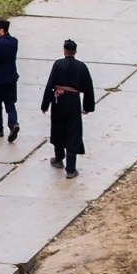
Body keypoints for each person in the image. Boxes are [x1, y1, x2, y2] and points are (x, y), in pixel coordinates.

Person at [42, 39, 96, 179]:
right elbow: (88, 87)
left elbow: (50, 84)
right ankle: (71, 169)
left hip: (58, 100)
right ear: (75, 52)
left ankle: (59, 159)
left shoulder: (58, 64)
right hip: (73, 102)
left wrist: (45, 104)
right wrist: (87, 107)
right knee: (73, 132)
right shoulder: (81, 67)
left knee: (58, 128)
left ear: (64, 51)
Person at [0, 19, 20, 143]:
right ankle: (13, 123)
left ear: (1, 30)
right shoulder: (14, 41)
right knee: (10, 103)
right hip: (12, 77)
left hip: (0, 79)